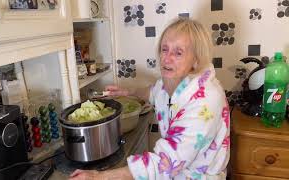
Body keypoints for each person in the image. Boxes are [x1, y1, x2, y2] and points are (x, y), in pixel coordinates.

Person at [69, 18, 230, 180]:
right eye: (164, 49)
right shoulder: (179, 81)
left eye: (178, 52)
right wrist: (128, 91)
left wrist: (99, 177)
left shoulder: (206, 102)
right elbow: (155, 92)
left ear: (196, 59)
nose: (166, 58)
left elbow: (165, 162)